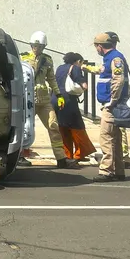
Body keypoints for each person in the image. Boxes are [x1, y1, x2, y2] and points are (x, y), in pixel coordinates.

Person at [21, 31, 77, 168]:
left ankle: (61, 159)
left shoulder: (47, 59)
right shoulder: (23, 58)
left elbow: (51, 79)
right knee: (24, 128)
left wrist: (58, 95)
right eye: (35, 45)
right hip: (28, 99)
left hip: (44, 99)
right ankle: (21, 156)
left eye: (40, 46)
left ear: (44, 46)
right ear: (31, 45)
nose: (37, 48)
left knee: (53, 126)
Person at [92, 32, 129, 182]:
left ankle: (106, 171)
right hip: (113, 105)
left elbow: (118, 80)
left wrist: (112, 100)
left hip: (112, 106)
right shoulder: (110, 58)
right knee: (115, 139)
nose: (96, 49)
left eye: (96, 46)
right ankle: (119, 171)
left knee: (106, 137)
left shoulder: (115, 58)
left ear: (100, 46)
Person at [54, 52, 98, 163]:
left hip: (56, 99)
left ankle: (67, 155)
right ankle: (80, 153)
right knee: (77, 126)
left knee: (63, 127)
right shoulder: (76, 68)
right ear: (78, 61)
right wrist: (80, 90)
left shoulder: (60, 68)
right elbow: (84, 86)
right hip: (69, 101)